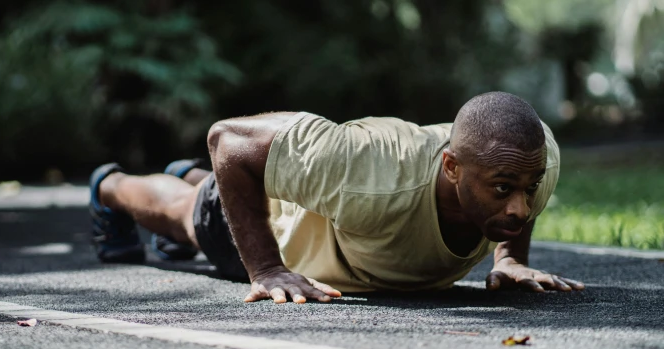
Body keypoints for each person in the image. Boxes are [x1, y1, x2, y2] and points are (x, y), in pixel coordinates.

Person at [89, 92, 584, 304]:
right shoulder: (369, 168)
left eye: (529, 188)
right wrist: (265, 268)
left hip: (333, 203)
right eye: (503, 190)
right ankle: (108, 188)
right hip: (280, 225)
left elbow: (518, 184)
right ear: (451, 168)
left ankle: (194, 180)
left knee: (201, 194)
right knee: (190, 215)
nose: (520, 207)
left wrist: (511, 259)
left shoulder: (530, 158)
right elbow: (228, 140)